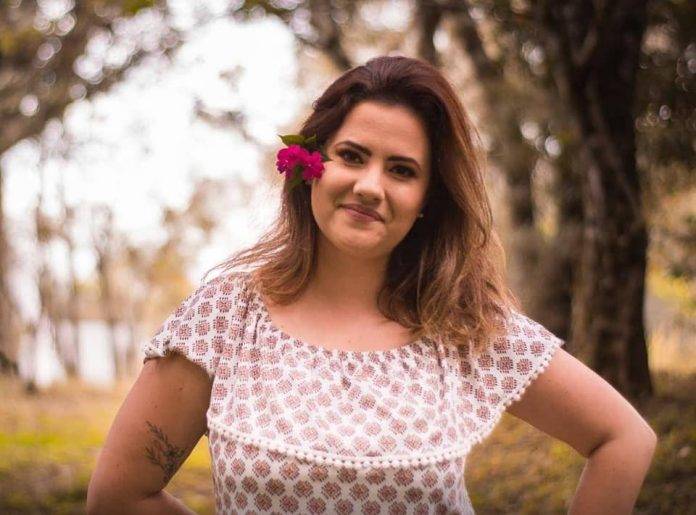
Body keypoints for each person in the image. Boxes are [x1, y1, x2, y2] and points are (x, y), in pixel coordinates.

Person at [86, 55, 657, 514]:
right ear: (310, 165)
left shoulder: (463, 324)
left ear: (427, 198)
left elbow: (623, 438)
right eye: (352, 156)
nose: (369, 186)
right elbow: (119, 496)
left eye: (401, 170)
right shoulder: (225, 318)